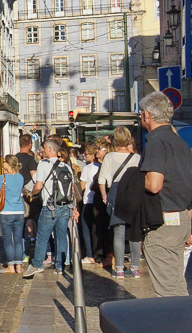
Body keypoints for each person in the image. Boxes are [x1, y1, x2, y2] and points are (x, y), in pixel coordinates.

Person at [139, 91, 192, 297]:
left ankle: (179, 326)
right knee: (175, 280)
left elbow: (154, 184)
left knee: (169, 290)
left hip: (164, 222)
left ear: (147, 115)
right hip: (181, 218)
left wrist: (135, 178)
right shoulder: (179, 142)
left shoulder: (155, 141)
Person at [23, 137, 79, 277]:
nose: (42, 151)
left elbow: (38, 186)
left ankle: (37, 264)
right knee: (61, 236)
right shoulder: (66, 166)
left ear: (49, 149)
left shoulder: (43, 164)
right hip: (65, 206)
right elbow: (72, 190)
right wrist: (74, 208)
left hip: (50, 207)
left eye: (44, 148)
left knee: (42, 236)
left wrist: (32, 193)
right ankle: (60, 266)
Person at [98, 127, 140, 277]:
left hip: (116, 192)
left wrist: (104, 196)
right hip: (133, 194)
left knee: (119, 232)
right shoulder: (136, 158)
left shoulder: (109, 157)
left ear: (115, 140)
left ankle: (120, 268)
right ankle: (135, 267)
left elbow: (102, 179)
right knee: (135, 233)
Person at [0, 155, 26, 273]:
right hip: (19, 211)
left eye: (4, 162)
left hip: (7, 212)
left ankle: (10, 267)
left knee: (8, 240)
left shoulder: (3, 178)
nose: (3, 164)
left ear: (8, 164)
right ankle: (19, 267)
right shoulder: (20, 177)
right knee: (18, 240)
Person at [16, 133, 40, 261]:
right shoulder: (30, 160)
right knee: (29, 218)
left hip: (15, 194)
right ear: (30, 144)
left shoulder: (13, 159)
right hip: (27, 194)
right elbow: (35, 177)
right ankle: (32, 242)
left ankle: (20, 253)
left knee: (19, 223)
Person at [78, 143, 101, 265]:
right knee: (96, 228)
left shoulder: (87, 168)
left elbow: (82, 186)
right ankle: (98, 253)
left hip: (88, 200)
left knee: (86, 228)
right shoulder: (101, 167)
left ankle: (90, 254)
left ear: (92, 155)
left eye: (86, 154)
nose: (84, 156)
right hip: (99, 201)